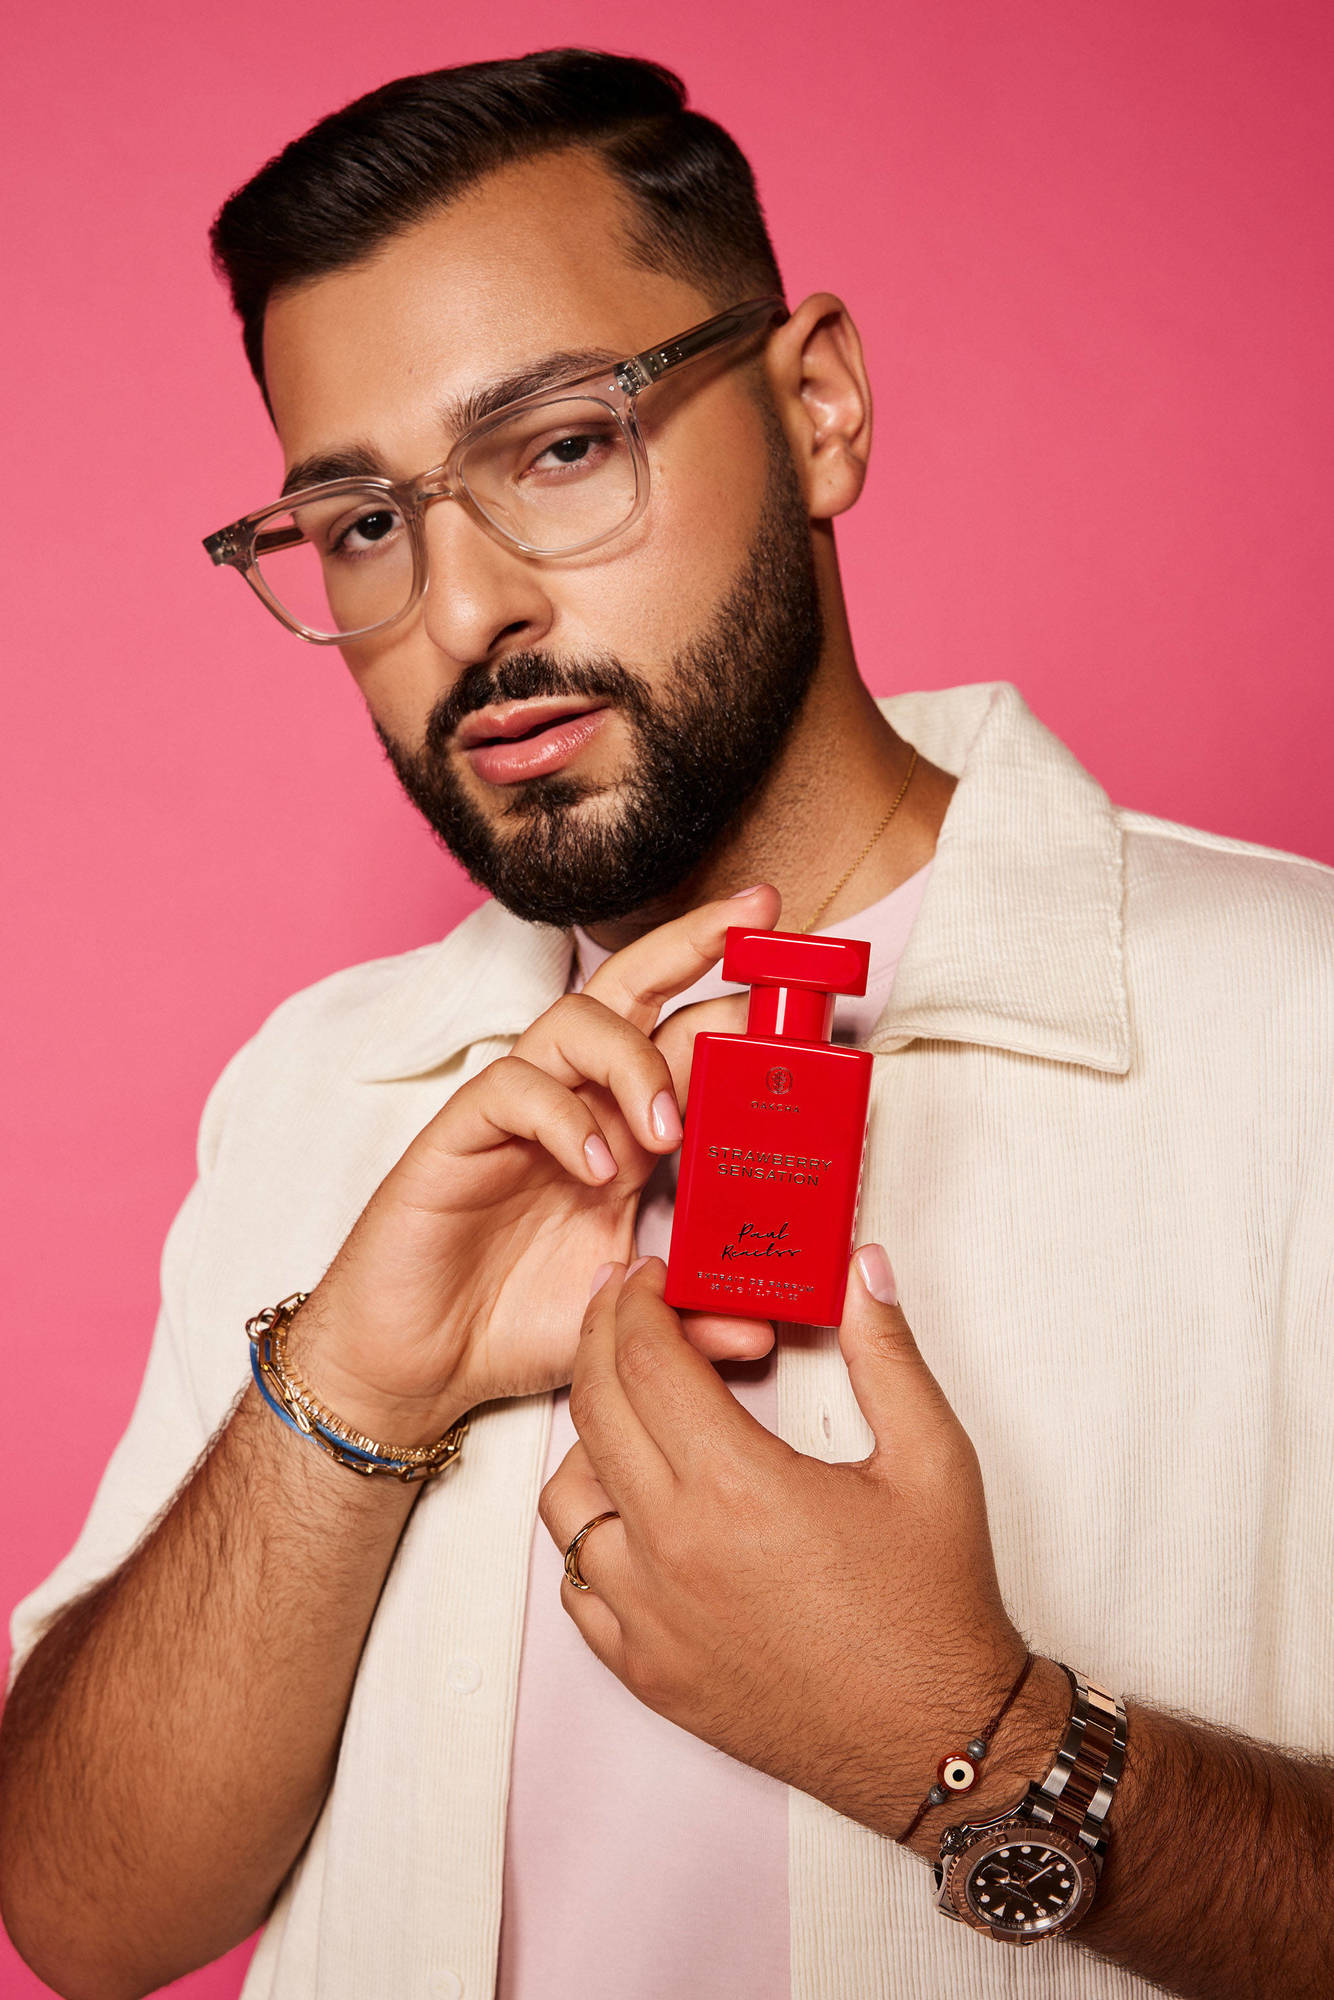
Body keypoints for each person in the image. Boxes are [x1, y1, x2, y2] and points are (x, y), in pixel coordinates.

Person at [2, 47, 1331, 2000]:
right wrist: (347, 1391)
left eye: (557, 446)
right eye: (360, 522)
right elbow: (80, 1914)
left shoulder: (1298, 1039)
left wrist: (970, 1743)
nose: (460, 609)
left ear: (816, 408)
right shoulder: (316, 1089)